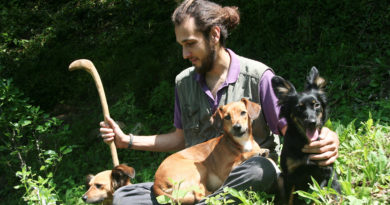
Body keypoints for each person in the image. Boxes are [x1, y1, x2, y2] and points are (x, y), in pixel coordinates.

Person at [99, 0, 340, 204]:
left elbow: (292, 128)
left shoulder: (258, 76)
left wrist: (325, 136)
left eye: (190, 43)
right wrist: (127, 140)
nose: (185, 54)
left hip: (246, 174)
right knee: (125, 196)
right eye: (181, 46)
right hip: (198, 179)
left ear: (214, 35)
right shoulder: (183, 83)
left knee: (260, 170)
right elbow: (179, 138)